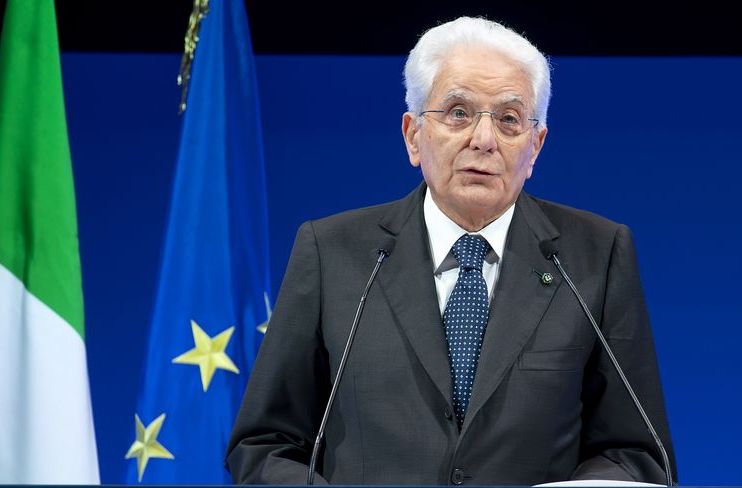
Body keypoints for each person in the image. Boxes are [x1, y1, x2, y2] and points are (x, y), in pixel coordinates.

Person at [226, 16, 676, 485]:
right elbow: (264, 445)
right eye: (458, 113)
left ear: (535, 147)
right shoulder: (332, 252)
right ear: (413, 135)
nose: (484, 140)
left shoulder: (596, 255)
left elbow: (637, 454)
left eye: (509, 119)